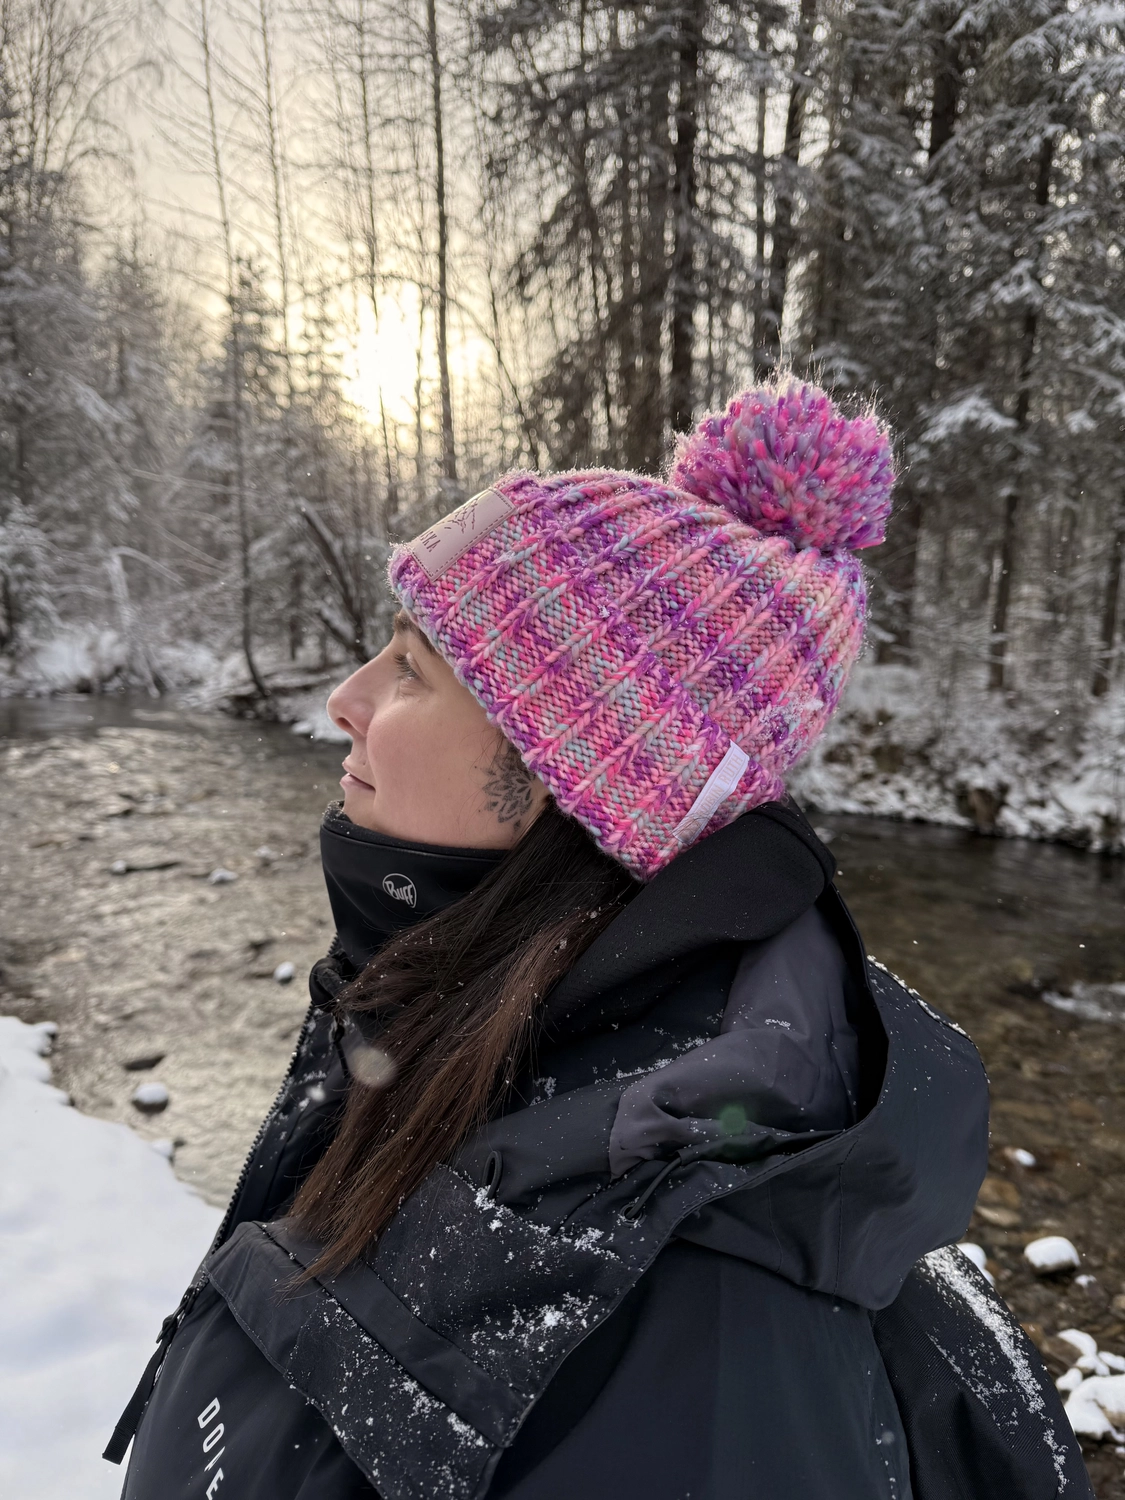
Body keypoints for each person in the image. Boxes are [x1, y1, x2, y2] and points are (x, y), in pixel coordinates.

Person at [108, 381, 1091, 1500]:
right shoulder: (458, 1017)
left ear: (579, 779)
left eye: (412, 668)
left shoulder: (691, 1311)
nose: (345, 699)